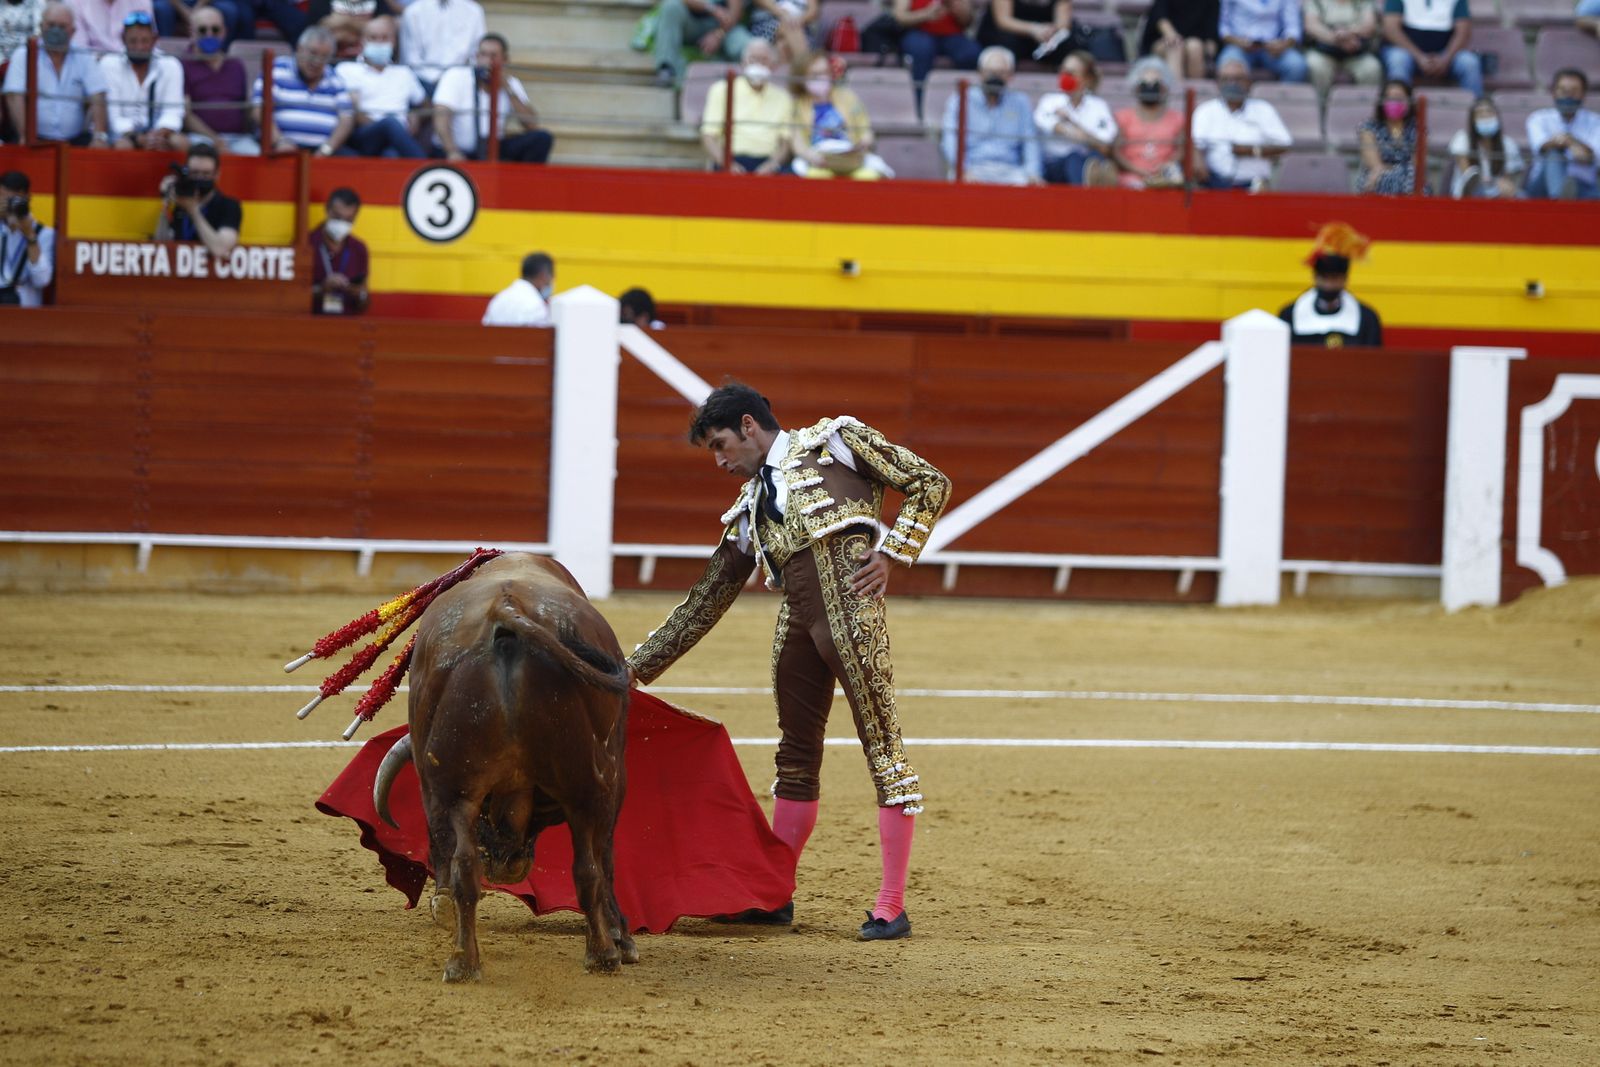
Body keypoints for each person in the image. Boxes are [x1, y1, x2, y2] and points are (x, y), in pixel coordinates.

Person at [625, 382, 952, 942]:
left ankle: (892, 904)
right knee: (794, 758)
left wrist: (895, 551)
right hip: (797, 629)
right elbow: (706, 599)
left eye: (722, 444)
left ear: (750, 425)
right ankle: (774, 893)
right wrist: (631, 668)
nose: (722, 460)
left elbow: (929, 482)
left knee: (883, 748)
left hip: (853, 621)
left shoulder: (837, 441)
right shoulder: (751, 505)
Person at [432, 34, 553, 163]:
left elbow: (532, 125)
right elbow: (441, 119)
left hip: (492, 150)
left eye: (493, 56)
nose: (487, 61)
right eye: (483, 55)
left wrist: (507, 88)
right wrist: (452, 151)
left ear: (505, 60)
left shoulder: (511, 83)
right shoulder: (456, 76)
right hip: (457, 150)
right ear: (477, 57)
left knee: (542, 139)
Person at [3, 2, 110, 147]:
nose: (56, 31)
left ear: (73, 31)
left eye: (61, 26)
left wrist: (99, 136)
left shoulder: (83, 56)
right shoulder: (24, 54)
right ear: (41, 27)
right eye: (51, 25)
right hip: (33, 140)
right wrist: (24, 135)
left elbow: (98, 94)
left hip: (75, 141)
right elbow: (14, 96)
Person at [941, 45, 1042, 185]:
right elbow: (950, 139)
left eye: (1001, 73)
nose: (995, 78)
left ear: (1011, 75)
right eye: (990, 72)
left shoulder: (1020, 102)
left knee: (1032, 189)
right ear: (980, 73)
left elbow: (1030, 141)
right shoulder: (961, 99)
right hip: (972, 168)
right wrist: (962, 170)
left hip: (1010, 170)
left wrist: (1033, 173)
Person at [1190, 55, 1290, 189]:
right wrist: (1198, 161)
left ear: (1249, 83)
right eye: (1226, 79)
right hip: (1214, 184)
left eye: (1238, 79)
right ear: (1218, 84)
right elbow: (1195, 145)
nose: (1232, 84)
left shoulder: (1264, 109)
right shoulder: (1205, 111)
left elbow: (1284, 145)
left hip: (1254, 185)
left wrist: (1252, 150)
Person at [253, 25, 354, 156]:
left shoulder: (334, 78)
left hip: (323, 152)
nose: (317, 61)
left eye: (324, 57)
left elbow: (346, 118)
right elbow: (258, 110)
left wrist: (327, 149)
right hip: (279, 147)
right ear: (299, 49)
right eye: (313, 53)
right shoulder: (276, 69)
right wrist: (280, 141)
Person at [1278, 221, 1381, 347]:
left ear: (1345, 279)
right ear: (1315, 277)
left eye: (1334, 279)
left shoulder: (1366, 319)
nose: (1329, 285)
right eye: (1324, 278)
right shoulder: (1290, 315)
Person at [334, 16, 425, 158]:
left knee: (391, 155)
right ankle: (427, 167)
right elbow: (353, 114)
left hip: (396, 139)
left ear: (394, 41)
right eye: (373, 38)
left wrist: (416, 116)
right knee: (390, 124)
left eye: (384, 38)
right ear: (363, 41)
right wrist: (384, 126)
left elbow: (424, 104)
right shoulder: (346, 69)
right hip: (364, 134)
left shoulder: (404, 73)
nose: (379, 43)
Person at [699, 38, 791, 174]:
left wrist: (772, 165)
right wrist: (726, 163)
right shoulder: (721, 90)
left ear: (773, 65)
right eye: (753, 59)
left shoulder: (783, 97)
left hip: (768, 162)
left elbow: (785, 143)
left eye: (764, 60)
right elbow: (708, 136)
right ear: (743, 63)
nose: (758, 65)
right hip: (731, 158)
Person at [788, 51, 883, 180]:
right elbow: (797, 143)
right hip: (818, 159)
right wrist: (811, 156)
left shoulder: (848, 97)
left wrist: (863, 143)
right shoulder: (797, 106)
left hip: (849, 158)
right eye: (815, 74)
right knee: (817, 177)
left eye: (825, 72)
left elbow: (865, 130)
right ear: (802, 77)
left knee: (869, 177)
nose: (821, 78)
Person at [101, 11, 185, 152]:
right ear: (123, 39)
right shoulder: (109, 63)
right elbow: (114, 117)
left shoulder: (171, 64)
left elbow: (174, 112)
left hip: (160, 134)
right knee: (123, 146)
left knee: (180, 143)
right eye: (133, 41)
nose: (139, 47)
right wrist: (138, 138)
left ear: (154, 39)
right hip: (123, 136)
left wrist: (158, 135)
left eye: (144, 41)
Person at [1033, 49, 1117, 186]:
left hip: (1087, 160)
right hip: (1054, 165)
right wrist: (1088, 139)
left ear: (1086, 78)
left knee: (1096, 159)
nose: (1065, 76)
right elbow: (1049, 125)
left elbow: (1105, 146)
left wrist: (1071, 122)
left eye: (1071, 73)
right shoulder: (1049, 101)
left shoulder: (1099, 106)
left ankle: (1095, 184)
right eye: (1063, 71)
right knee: (1074, 158)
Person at [180, 5, 256, 155]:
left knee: (256, 153)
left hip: (238, 138)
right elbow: (186, 115)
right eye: (202, 30)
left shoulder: (236, 65)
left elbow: (246, 109)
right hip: (199, 138)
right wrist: (215, 140)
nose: (209, 35)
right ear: (192, 33)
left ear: (224, 32)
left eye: (215, 30)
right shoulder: (183, 64)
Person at [893, 0, 979, 118]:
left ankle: (968, 109)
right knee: (921, 51)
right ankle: (919, 109)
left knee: (971, 54)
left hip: (952, 35)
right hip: (919, 32)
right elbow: (900, 17)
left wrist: (957, 8)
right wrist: (926, 14)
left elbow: (968, 21)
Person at [153, 141, 240, 257]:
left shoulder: (229, 206)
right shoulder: (178, 200)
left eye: (206, 174)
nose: (200, 178)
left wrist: (193, 210)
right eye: (195, 173)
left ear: (217, 174)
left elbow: (220, 249)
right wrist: (166, 203)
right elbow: (159, 246)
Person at [1112, 56, 1187, 189]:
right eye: (1144, 84)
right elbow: (1117, 152)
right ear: (1136, 87)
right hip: (1130, 177)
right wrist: (1138, 170)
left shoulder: (1178, 118)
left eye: (1155, 85)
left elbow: (1181, 151)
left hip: (1166, 179)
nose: (1150, 88)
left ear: (1165, 88)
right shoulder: (1122, 117)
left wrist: (1164, 167)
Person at [1380, 0, 1480, 98]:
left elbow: (1463, 32)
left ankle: (1476, 109)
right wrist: (1419, 57)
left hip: (1446, 55)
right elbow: (1391, 28)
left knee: (1469, 63)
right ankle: (1397, 110)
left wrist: (1445, 59)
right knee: (1398, 59)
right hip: (1408, 53)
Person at [1525, 68, 1599, 201]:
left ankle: (1562, 198)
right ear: (1553, 93)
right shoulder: (1538, 118)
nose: (1568, 96)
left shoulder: (1595, 121)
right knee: (1554, 154)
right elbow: (1541, 147)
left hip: (1583, 184)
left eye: (1574, 91)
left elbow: (1593, 155)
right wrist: (1570, 144)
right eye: (1563, 91)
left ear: (1583, 94)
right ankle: (1561, 200)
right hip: (1542, 186)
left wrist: (1568, 140)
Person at [651, 0, 751, 89]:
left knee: (745, 44)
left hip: (725, 27)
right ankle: (667, 70)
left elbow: (735, 13)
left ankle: (751, 77)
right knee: (670, 6)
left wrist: (718, 34)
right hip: (692, 21)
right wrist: (713, 9)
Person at [1217, 0, 1309, 83]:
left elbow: (1293, 28)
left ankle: (1281, 99)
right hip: (1239, 47)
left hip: (1273, 48)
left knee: (1296, 66)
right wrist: (1238, 42)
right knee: (1227, 67)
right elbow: (1223, 28)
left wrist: (1283, 44)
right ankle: (1236, 101)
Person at [398, 0, 482, 91]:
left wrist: (451, 80)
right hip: (423, 82)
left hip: (461, 83)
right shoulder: (413, 11)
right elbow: (411, 58)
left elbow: (477, 54)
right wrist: (435, 79)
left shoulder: (474, 11)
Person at [1448, 95, 1522, 199]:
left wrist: (1503, 187)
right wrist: (1494, 183)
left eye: (1489, 112)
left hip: (1497, 194)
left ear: (1497, 116)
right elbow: (1469, 177)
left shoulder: (1508, 144)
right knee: (1479, 191)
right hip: (1468, 195)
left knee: (1522, 196)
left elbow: (1506, 181)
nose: (1485, 116)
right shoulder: (1462, 139)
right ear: (1473, 120)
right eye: (1480, 114)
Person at [1302, 0, 1382, 95]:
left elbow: (1369, 26)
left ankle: (1364, 108)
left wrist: (1348, 33)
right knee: (1315, 65)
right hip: (1323, 51)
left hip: (1355, 51)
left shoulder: (1364, 2)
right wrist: (1336, 39)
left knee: (1371, 68)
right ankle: (1320, 107)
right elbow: (1311, 26)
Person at [310, 186, 368, 315]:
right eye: (337, 217)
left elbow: (364, 302)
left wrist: (358, 294)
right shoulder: (307, 244)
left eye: (348, 220)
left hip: (347, 326)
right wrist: (322, 289)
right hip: (311, 325)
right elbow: (290, 296)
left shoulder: (359, 249)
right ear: (327, 210)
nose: (342, 223)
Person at [0, 170, 54, 307]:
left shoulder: (44, 233)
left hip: (27, 314)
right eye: (6, 201)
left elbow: (42, 280)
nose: (10, 207)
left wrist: (30, 236)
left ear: (27, 198)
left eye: (14, 201)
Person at [1355, 78, 1415, 195]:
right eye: (1389, 98)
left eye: (1398, 98)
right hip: (1377, 178)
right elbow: (1375, 166)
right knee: (1384, 180)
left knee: (1412, 182)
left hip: (1409, 179)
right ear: (1382, 101)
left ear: (1409, 101)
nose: (1394, 102)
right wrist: (1395, 171)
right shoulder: (1368, 127)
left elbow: (1416, 165)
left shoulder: (1418, 129)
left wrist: (1393, 171)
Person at [977, 0, 1073, 70]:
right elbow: (1003, 20)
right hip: (1009, 34)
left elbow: (1063, 25)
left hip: (1043, 38)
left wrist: (1050, 32)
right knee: (1006, 44)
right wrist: (1034, 29)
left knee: (1065, 43)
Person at [1137, 0, 1217, 80]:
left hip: (1194, 46)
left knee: (1194, 46)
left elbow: (1210, 37)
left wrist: (1209, 58)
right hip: (1162, 43)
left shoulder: (1210, 2)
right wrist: (1172, 36)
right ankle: (1176, 91)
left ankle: (1197, 90)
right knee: (1175, 46)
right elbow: (1160, 19)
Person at [483, 251, 555, 327]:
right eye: (551, 277)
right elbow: (541, 337)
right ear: (543, 276)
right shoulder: (536, 305)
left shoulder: (499, 299)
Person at [310, 0, 397, 61]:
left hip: (369, 62)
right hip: (332, 60)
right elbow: (320, 28)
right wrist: (365, 27)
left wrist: (344, 21)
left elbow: (387, 26)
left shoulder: (378, 1)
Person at [68, 0, 151, 53]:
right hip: (94, 67)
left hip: (134, 65)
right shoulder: (75, 2)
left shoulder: (142, 1)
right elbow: (80, 50)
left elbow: (148, 43)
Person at [748, 0, 817, 63]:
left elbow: (813, 11)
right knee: (790, 27)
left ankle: (800, 71)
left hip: (800, 28)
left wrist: (800, 20)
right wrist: (784, 14)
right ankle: (806, 69)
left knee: (782, 45)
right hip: (768, 22)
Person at [152, 0, 248, 42]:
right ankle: (166, 52)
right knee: (161, 9)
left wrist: (195, 12)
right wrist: (185, 13)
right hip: (174, 3)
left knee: (229, 11)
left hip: (202, 3)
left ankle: (222, 53)